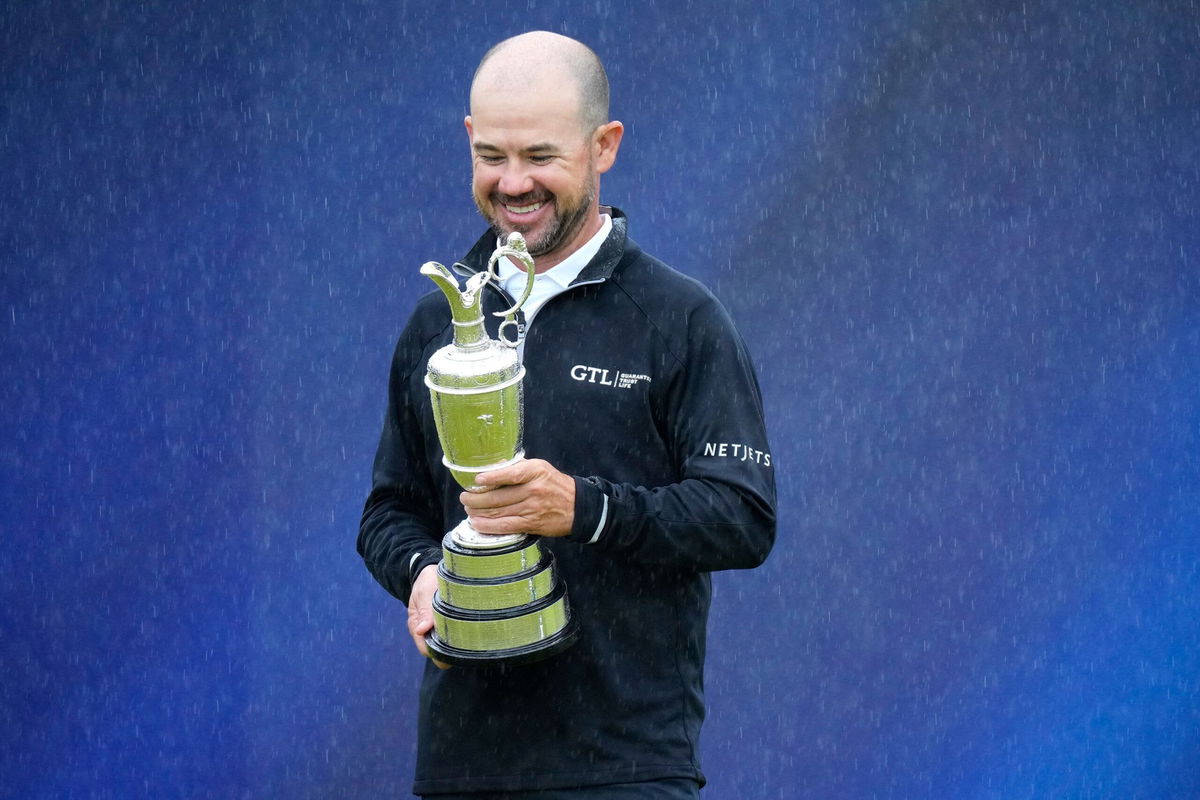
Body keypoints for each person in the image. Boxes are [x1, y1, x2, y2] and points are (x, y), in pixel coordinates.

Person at [358, 31, 776, 799]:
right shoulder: (436, 325)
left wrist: (585, 509)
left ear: (603, 146)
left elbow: (742, 516)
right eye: (492, 156)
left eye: (540, 157)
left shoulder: (679, 320)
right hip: (463, 768)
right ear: (468, 143)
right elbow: (389, 511)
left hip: (626, 769)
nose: (513, 183)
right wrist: (422, 578)